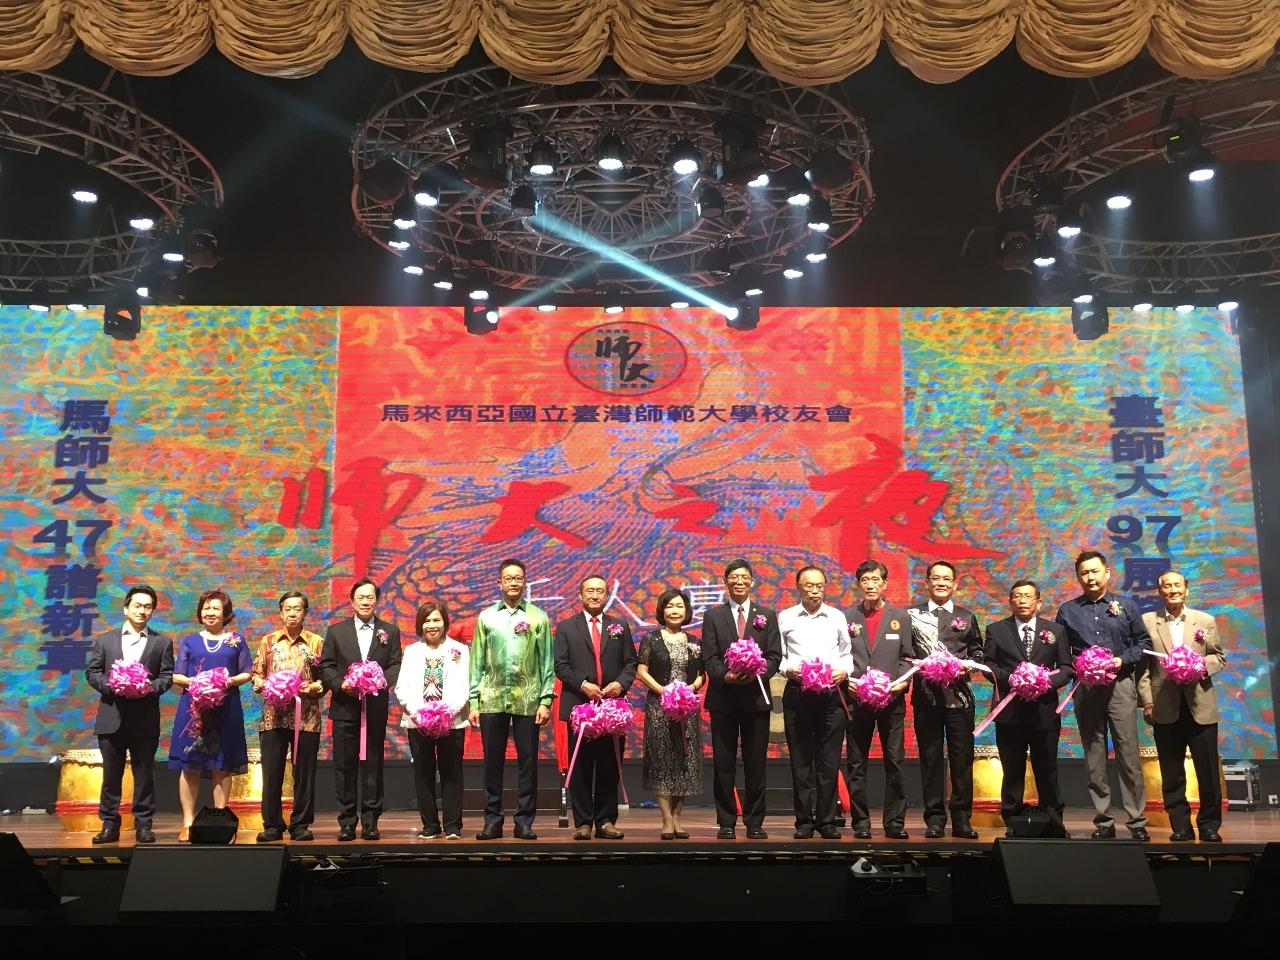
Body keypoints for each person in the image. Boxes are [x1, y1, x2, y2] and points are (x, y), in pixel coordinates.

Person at [1055, 550, 1152, 841]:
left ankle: (1136, 821)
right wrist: (1078, 669)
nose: (1090, 577)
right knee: (1094, 755)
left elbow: (1143, 642)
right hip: (1086, 689)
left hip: (1121, 685)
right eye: (1084, 573)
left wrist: (1123, 660)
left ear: (1107, 574)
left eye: (1095, 571)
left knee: (1128, 754)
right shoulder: (1067, 610)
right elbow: (1061, 652)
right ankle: (1104, 821)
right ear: (1078, 577)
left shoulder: (1126, 605)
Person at [469, 559, 554, 841]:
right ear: (499, 583)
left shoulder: (538, 617)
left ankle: (524, 821)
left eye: (519, 578)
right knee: (492, 763)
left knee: (527, 763)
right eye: (508, 578)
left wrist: (545, 700)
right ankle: (492, 821)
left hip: (528, 701)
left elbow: (547, 663)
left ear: (525, 581)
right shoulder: (486, 617)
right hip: (492, 698)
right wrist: (474, 701)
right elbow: (477, 661)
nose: (514, 582)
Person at [1139, 571, 1226, 842]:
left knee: (1208, 771)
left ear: (1186, 589)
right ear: (1160, 591)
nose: (1172, 590)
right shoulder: (1148, 622)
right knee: (1171, 772)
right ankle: (1180, 826)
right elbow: (1143, 669)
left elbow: (1218, 657)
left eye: (1177, 585)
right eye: (1166, 586)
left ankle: (1209, 825)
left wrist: (1199, 667)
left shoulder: (1205, 620)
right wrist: (1147, 703)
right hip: (1164, 707)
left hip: (1200, 706)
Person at [984, 579, 1074, 838]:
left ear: (1039, 601)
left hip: (1044, 712)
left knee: (1047, 769)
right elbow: (988, 663)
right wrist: (1011, 678)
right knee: (1012, 771)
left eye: (1027, 596)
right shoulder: (996, 630)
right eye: (1017, 596)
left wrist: (1046, 681)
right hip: (1009, 713)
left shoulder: (1055, 630)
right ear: (1010, 601)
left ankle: (1054, 821)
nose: (1022, 600)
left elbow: (1067, 667)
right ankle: (1013, 822)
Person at [85, 586, 174, 844]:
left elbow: (166, 676)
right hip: (111, 717)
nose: (142, 610)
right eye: (137, 605)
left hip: (145, 719)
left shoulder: (162, 642)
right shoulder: (105, 640)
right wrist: (112, 686)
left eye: (148, 606)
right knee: (111, 777)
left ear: (153, 611)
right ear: (126, 608)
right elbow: (93, 673)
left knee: (144, 776)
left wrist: (148, 688)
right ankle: (109, 824)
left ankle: (144, 825)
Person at [700, 559, 781, 840]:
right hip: (724, 699)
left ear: (752, 582)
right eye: (733, 577)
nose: (739, 581)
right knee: (724, 763)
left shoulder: (767, 615)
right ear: (725, 582)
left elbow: (774, 656)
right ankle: (726, 821)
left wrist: (758, 671)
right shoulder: (713, 616)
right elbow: (708, 657)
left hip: (756, 699)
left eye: (744, 577)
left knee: (755, 763)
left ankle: (755, 821)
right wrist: (727, 676)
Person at [554, 574, 638, 840]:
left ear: (607, 595)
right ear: (580, 595)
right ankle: (583, 822)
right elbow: (561, 666)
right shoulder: (566, 627)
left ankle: (605, 820)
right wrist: (583, 685)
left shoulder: (620, 626)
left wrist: (620, 685)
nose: (594, 595)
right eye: (589, 591)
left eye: (600, 591)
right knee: (580, 767)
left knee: (609, 766)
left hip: (612, 709)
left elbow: (631, 664)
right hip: (581, 707)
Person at [319, 578, 403, 841]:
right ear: (352, 601)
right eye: (361, 597)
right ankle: (346, 822)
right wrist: (341, 685)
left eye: (371, 597)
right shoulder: (336, 631)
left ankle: (370, 821)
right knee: (345, 767)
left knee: (373, 765)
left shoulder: (389, 630)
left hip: (375, 709)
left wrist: (380, 681)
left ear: (377, 600)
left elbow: (395, 665)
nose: (366, 601)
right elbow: (327, 666)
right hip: (345, 708)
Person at [168, 590, 254, 842]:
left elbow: (246, 672)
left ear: (226, 614)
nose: (210, 612)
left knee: (222, 765)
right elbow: (177, 675)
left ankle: (220, 821)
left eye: (215, 608)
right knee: (190, 766)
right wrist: (198, 682)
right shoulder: (190, 641)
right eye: (206, 608)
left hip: (225, 708)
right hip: (193, 710)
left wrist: (225, 681)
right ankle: (187, 823)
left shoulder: (236, 641)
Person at [910, 560, 984, 839]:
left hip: (960, 698)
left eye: (946, 579)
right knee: (930, 759)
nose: (941, 583)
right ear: (927, 583)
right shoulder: (912, 615)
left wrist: (969, 665)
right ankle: (935, 819)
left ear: (955, 584)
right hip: (926, 697)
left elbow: (979, 652)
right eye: (935, 578)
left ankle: (962, 819)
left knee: (961, 759)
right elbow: (906, 652)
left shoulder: (966, 615)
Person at [778, 565, 852, 839]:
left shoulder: (836, 617)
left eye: (819, 585)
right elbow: (778, 656)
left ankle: (827, 821)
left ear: (825, 587)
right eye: (808, 585)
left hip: (831, 696)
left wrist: (845, 671)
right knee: (801, 761)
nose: (814, 590)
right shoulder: (785, 617)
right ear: (798, 586)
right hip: (797, 694)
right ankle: (804, 822)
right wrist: (787, 670)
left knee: (829, 761)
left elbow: (847, 653)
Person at [843, 559, 914, 839]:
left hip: (891, 700)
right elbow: (841, 656)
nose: (870, 585)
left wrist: (900, 683)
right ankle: (860, 822)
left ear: (884, 584)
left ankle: (894, 822)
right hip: (857, 699)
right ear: (859, 584)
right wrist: (847, 681)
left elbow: (908, 657)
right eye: (865, 580)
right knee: (856, 762)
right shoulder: (847, 617)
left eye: (876, 580)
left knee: (894, 761)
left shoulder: (901, 616)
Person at [251, 591, 324, 842]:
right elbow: (256, 675)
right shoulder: (268, 641)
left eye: (298, 609)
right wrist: (265, 685)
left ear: (305, 612)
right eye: (288, 609)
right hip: (273, 717)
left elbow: (325, 679)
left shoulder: (316, 642)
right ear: (281, 612)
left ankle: (301, 824)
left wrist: (312, 687)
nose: (293, 613)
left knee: (304, 774)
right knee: (272, 773)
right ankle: (272, 824)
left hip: (307, 718)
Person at [397, 599, 470, 839]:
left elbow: (464, 686)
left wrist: (446, 712)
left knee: (452, 772)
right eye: (427, 620)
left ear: (445, 623)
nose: (431, 625)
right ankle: (430, 825)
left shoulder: (460, 650)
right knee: (423, 772)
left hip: (451, 721)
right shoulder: (411, 651)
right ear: (420, 625)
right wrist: (421, 714)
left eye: (436, 620)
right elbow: (402, 687)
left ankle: (452, 826)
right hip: (418, 723)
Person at [637, 588, 705, 840]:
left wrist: (689, 689)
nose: (674, 610)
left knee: (683, 761)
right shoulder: (651, 639)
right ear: (662, 611)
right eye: (669, 606)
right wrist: (664, 691)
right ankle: (665, 818)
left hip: (687, 709)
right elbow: (641, 671)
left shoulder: (695, 642)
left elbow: (702, 675)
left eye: (679, 606)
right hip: (659, 707)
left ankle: (678, 818)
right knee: (661, 760)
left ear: (686, 611)